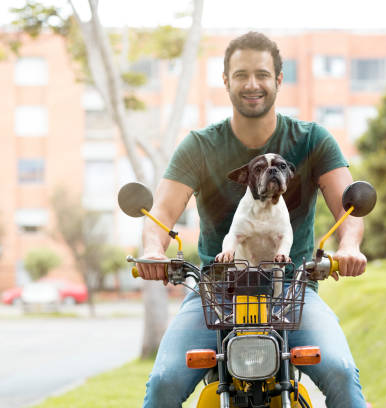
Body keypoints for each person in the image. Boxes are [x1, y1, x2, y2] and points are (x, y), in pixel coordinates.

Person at [137, 31, 368, 408]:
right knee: (163, 382)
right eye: (241, 74)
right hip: (214, 293)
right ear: (226, 81)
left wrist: (350, 246)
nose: (252, 84)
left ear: (278, 80)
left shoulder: (313, 139)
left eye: (262, 74)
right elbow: (161, 212)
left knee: (341, 371)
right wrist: (152, 251)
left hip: (292, 291)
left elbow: (348, 206)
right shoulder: (199, 145)